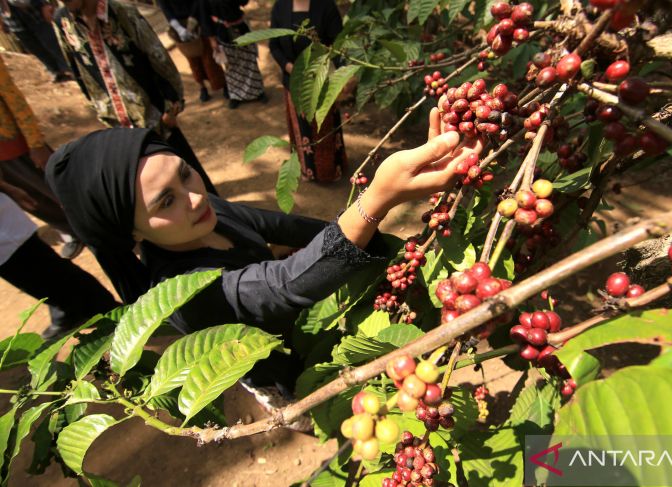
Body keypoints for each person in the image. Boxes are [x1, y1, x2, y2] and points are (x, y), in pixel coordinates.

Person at [45, 108, 481, 390]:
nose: (194, 198)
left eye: (185, 175)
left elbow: (289, 226)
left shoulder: (208, 208)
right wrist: (377, 201)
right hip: (271, 366)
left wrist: (388, 234)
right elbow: (281, 286)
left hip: (306, 326)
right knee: (301, 397)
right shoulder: (179, 293)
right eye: (165, 202)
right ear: (133, 235)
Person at [52, 0, 218, 195]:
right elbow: (77, 68)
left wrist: (171, 105)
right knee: (154, 183)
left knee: (186, 172)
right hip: (119, 123)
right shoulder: (62, 21)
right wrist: (99, 108)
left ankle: (218, 216)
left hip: (154, 115)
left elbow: (158, 57)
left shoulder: (122, 13)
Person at [0, 191, 118, 340]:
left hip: (6, 235)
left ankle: (105, 309)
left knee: (45, 269)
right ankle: (67, 310)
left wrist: (5, 186)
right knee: (31, 280)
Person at [0, 55, 83, 259]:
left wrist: (36, 144)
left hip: (15, 145)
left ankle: (101, 222)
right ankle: (71, 230)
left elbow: (14, 99)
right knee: (32, 201)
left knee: (56, 187)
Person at [269, 0, 347, 183]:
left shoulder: (326, 6)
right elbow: (274, 46)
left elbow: (338, 43)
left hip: (322, 83)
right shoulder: (280, 7)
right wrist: (291, 69)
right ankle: (307, 170)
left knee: (324, 127)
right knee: (301, 129)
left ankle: (330, 172)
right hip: (294, 83)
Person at [156, 0, 226, 104]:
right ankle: (202, 87)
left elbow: (198, 2)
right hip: (180, 25)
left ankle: (223, 85)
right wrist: (179, 28)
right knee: (192, 59)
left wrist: (192, 19)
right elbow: (166, 10)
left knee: (209, 56)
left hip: (198, 19)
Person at [200, 0, 266, 109]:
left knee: (250, 61)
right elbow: (204, 18)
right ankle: (235, 95)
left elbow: (243, 2)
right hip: (222, 32)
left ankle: (258, 91)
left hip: (241, 28)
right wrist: (211, 39)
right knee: (231, 66)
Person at [0, 0, 74, 83]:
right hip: (11, 18)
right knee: (34, 48)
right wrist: (2, 21)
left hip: (35, 9)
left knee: (51, 41)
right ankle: (56, 71)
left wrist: (45, 4)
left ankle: (70, 68)